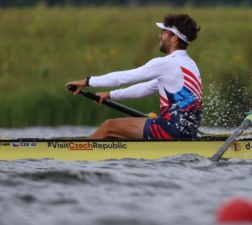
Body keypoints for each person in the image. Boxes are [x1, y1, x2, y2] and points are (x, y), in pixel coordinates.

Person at [66, 13, 202, 140]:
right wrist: (111, 95)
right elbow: (147, 88)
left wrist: (87, 81)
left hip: (171, 129)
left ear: (174, 38)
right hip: (189, 131)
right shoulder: (189, 64)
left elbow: (124, 77)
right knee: (123, 131)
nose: (160, 35)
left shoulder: (167, 63)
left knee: (109, 126)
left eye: (163, 32)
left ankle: (77, 151)